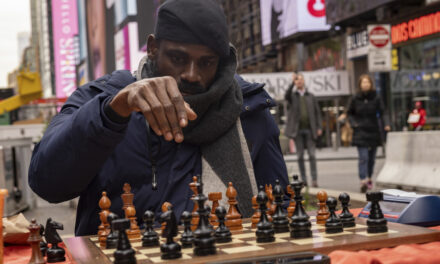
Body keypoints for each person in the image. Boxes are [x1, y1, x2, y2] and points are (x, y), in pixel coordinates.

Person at [28, 0, 289, 236]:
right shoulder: (103, 97)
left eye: (206, 63)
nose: (191, 75)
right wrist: (111, 114)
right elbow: (47, 184)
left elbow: (281, 212)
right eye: (178, 58)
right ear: (153, 48)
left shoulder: (249, 109)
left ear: (221, 62)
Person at [347, 74, 390, 193]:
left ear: (371, 84)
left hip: (373, 131)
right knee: (363, 157)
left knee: (371, 158)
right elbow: (349, 113)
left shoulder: (376, 97)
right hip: (360, 131)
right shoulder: (355, 98)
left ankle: (369, 177)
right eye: (363, 82)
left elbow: (383, 112)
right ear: (360, 85)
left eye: (367, 82)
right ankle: (363, 180)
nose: (365, 84)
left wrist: (386, 124)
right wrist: (353, 123)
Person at [284, 73, 322, 187]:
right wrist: (291, 83)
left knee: (312, 155)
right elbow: (286, 96)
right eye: (297, 80)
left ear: (304, 81)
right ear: (295, 82)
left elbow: (317, 113)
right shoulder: (293, 96)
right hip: (297, 131)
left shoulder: (311, 96)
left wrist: (319, 127)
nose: (299, 81)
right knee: (300, 156)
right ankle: (304, 180)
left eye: (300, 79)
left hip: (310, 130)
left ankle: (314, 180)